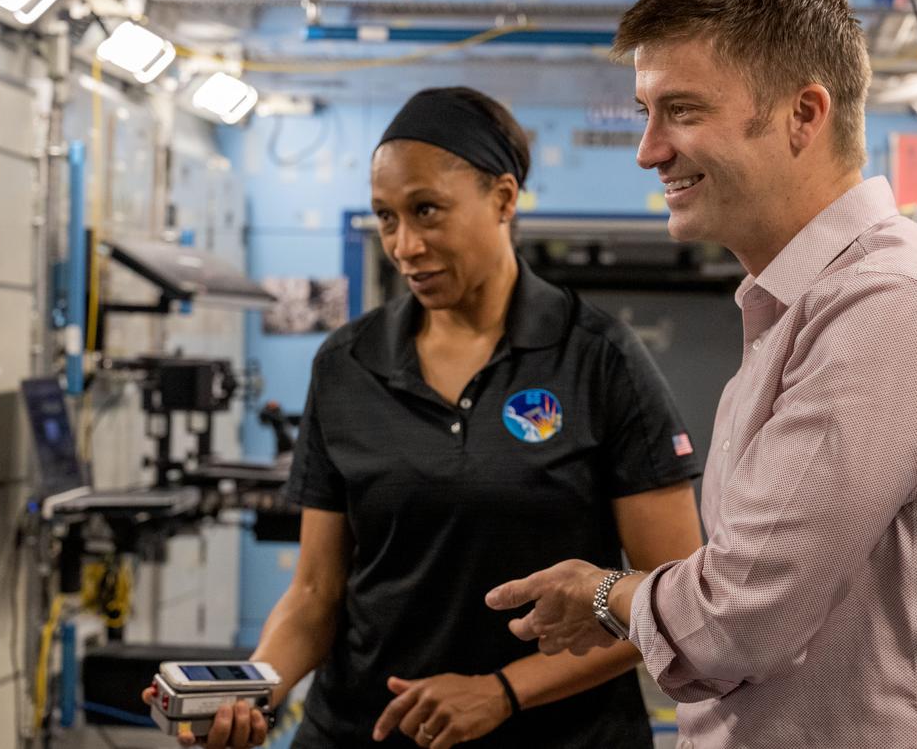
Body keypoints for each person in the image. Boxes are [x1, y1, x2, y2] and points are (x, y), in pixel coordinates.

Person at [486, 0, 917, 748]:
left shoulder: (892, 301)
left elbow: (740, 618)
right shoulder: (795, 308)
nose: (647, 150)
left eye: (680, 111)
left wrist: (605, 594)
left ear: (803, 116)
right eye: (646, 112)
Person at [144, 86, 705, 748]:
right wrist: (257, 689)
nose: (404, 245)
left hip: (558, 735)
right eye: (386, 218)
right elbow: (316, 591)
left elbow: (669, 601)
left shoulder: (596, 358)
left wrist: (502, 692)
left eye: (427, 211)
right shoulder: (347, 363)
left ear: (502, 199)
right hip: (362, 730)